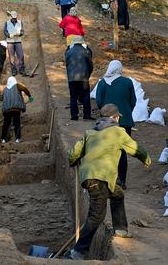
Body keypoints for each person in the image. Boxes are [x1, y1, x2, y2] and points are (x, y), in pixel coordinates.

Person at [65, 104, 151, 260]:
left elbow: (73, 154)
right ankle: (77, 252)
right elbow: (135, 148)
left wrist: (73, 160)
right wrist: (146, 159)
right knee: (97, 215)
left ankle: (121, 229)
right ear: (116, 117)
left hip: (91, 177)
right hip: (100, 177)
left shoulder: (89, 133)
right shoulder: (118, 132)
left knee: (117, 194)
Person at [95, 60, 137, 188]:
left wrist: (106, 112)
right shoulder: (128, 82)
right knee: (122, 151)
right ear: (120, 69)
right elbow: (133, 101)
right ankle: (122, 181)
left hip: (107, 122)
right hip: (125, 122)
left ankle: (108, 179)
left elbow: (98, 101)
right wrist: (126, 111)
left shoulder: (102, 83)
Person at [65, 36, 94, 121]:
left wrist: (70, 74)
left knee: (73, 97)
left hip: (72, 78)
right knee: (85, 96)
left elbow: (67, 64)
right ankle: (86, 115)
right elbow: (90, 65)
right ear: (82, 42)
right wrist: (88, 75)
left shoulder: (69, 51)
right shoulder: (86, 51)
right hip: (84, 77)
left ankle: (74, 115)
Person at [1, 76, 33, 143]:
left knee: (6, 124)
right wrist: (29, 96)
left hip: (7, 110)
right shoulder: (17, 86)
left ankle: (3, 139)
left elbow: (3, 99)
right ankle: (17, 139)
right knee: (17, 123)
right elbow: (25, 89)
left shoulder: (5, 90)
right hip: (16, 109)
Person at [4, 10, 26, 76]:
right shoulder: (7, 23)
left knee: (21, 55)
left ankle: (21, 69)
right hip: (10, 42)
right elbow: (5, 31)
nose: (14, 19)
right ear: (10, 17)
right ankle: (14, 70)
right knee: (11, 57)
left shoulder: (20, 22)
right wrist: (8, 35)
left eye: (15, 18)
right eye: (13, 18)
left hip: (18, 41)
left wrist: (20, 33)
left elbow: (22, 31)